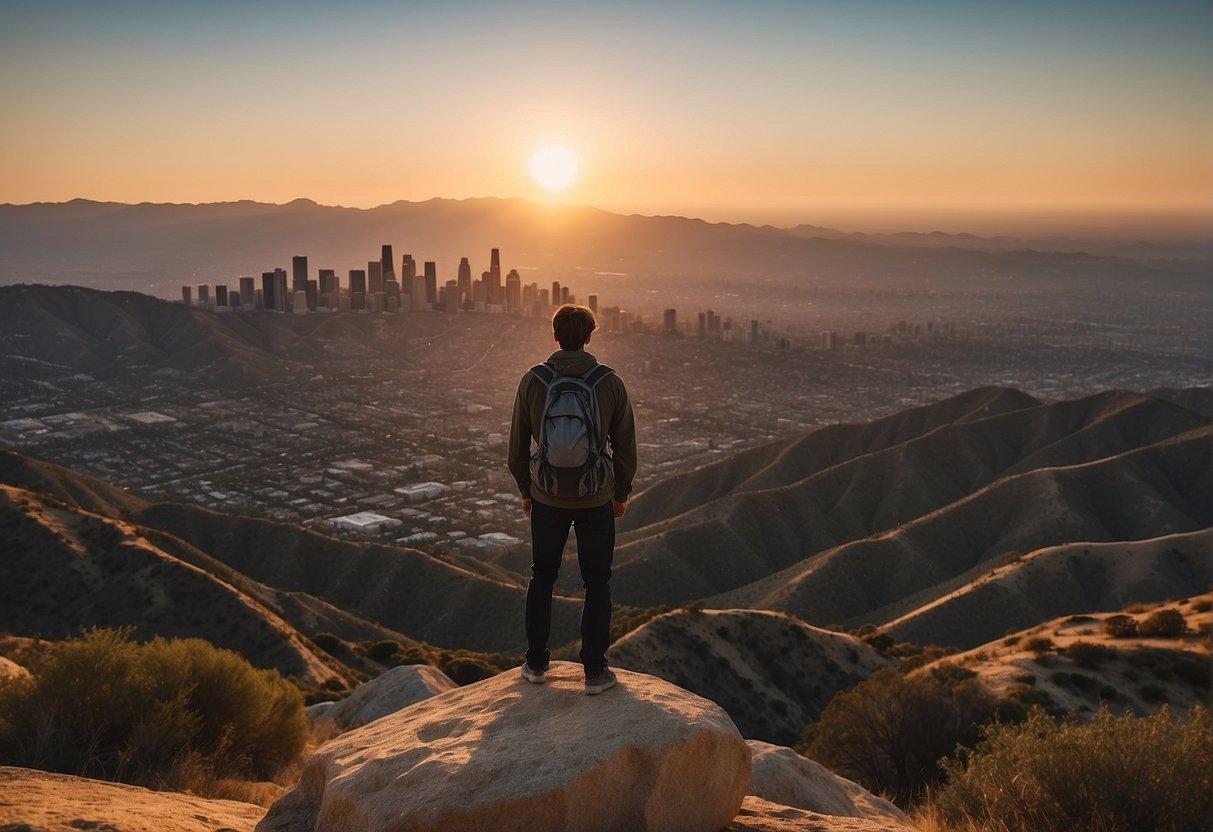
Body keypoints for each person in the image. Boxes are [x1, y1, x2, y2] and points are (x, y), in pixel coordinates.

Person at [508, 304, 637, 695]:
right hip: (595, 498)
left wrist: (527, 492)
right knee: (597, 582)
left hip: (547, 497)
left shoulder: (533, 381)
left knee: (541, 577)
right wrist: (620, 494)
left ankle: (535, 664)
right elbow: (626, 447)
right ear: (589, 337)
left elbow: (517, 447)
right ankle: (595, 672)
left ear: (554, 336)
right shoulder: (609, 383)